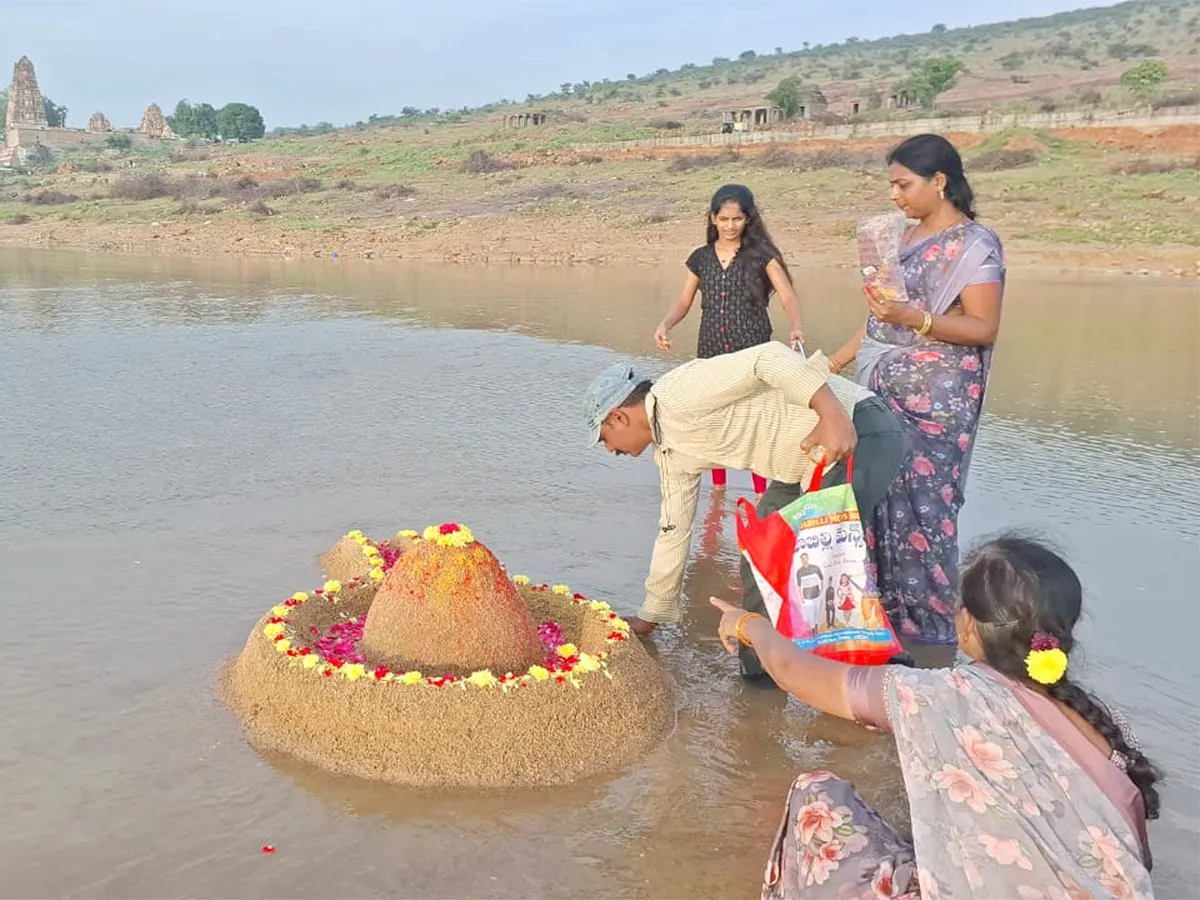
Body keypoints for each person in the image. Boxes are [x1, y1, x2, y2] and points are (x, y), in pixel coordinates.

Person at [711, 536, 1159, 899]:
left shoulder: (938, 696)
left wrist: (747, 623)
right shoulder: (1106, 721)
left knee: (817, 795)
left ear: (967, 623)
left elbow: (793, 672)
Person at [583, 342, 907, 658]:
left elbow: (767, 358)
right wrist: (651, 614)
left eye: (604, 438)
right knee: (760, 556)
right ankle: (760, 679)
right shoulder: (670, 454)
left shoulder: (677, 394)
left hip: (857, 428)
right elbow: (673, 532)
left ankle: (878, 684)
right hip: (805, 465)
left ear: (619, 417)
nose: (611, 450)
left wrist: (831, 413)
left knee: (826, 567)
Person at [828, 133, 1005, 645]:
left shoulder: (974, 245)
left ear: (940, 181)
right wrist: (834, 363)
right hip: (879, 392)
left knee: (925, 511)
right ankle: (874, 630)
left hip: (936, 404)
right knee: (870, 501)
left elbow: (982, 327)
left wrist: (915, 318)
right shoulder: (901, 241)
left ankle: (930, 640)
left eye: (903, 184)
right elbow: (880, 320)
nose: (894, 196)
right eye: (891, 185)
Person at [654, 184, 805, 499]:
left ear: (748, 220)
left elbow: (788, 295)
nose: (730, 226)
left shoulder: (761, 256)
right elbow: (684, 302)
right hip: (711, 350)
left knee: (758, 421)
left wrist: (795, 327)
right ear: (712, 219)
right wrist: (665, 324)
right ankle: (718, 491)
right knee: (714, 416)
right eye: (723, 219)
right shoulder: (701, 258)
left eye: (737, 219)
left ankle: (762, 493)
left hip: (752, 351)